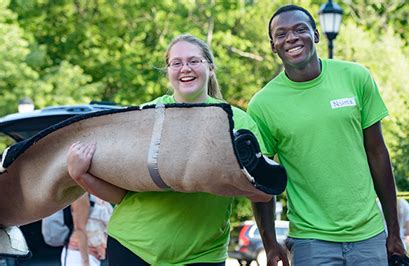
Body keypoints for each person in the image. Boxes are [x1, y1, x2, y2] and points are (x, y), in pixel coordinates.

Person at [67, 34, 271, 265]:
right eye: (176, 63)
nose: (185, 68)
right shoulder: (144, 117)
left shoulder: (238, 121)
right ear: (168, 71)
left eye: (194, 61)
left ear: (211, 68)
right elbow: (122, 196)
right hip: (132, 247)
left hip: (201, 256)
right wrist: (80, 175)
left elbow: (264, 192)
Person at [248, 4, 405, 265]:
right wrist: (270, 242)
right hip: (311, 241)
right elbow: (262, 178)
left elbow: (378, 153)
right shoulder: (262, 105)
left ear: (316, 35)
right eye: (281, 34)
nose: (292, 38)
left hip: (369, 236)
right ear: (273, 45)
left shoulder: (356, 77)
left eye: (300, 29)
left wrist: (394, 230)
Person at [61, 194, 112, 266]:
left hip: (93, 257)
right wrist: (85, 262)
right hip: (80, 256)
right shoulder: (82, 195)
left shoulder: (99, 194)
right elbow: (80, 228)